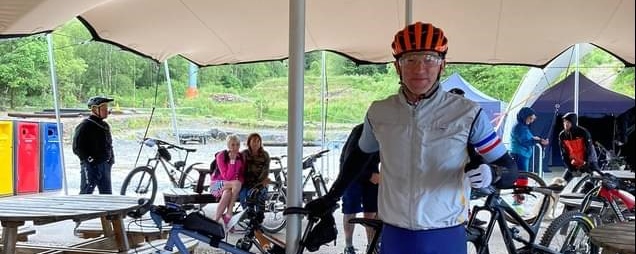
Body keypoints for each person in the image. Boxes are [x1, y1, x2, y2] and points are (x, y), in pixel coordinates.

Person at [306, 22, 518, 254]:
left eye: (429, 59)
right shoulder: (379, 112)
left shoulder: (468, 113)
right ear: (398, 66)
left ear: (442, 65)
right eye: (410, 60)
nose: (419, 69)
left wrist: (494, 173)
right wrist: (331, 197)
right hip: (395, 233)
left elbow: (509, 168)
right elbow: (358, 159)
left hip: (445, 232)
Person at [340, 124, 380, 254]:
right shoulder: (360, 131)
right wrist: (369, 175)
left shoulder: (388, 132)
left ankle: (371, 245)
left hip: (371, 169)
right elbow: (348, 159)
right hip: (351, 173)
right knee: (350, 209)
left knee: (371, 209)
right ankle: (349, 246)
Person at [72, 96, 115, 194]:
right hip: (91, 166)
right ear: (94, 109)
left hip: (105, 164)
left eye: (106, 108)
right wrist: (89, 159)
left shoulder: (104, 126)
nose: (106, 111)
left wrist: (111, 159)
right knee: (86, 194)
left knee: (107, 195)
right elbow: (77, 147)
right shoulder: (85, 126)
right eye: (103, 108)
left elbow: (109, 144)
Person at [510, 107, 549, 204]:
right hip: (519, 154)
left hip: (522, 154)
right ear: (524, 117)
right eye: (530, 118)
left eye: (532, 119)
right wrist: (538, 140)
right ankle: (518, 198)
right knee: (522, 177)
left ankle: (518, 197)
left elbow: (528, 138)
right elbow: (524, 141)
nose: (531, 121)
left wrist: (536, 139)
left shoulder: (522, 127)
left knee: (522, 177)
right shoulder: (519, 127)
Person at [213, 134, 245, 226]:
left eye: (238, 145)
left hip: (231, 187)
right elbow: (226, 177)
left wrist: (238, 182)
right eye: (233, 145)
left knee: (228, 193)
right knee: (237, 184)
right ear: (228, 146)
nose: (236, 147)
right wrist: (232, 161)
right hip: (216, 185)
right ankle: (229, 213)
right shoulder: (221, 156)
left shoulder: (241, 157)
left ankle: (215, 221)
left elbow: (242, 175)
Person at [558, 112, 599, 184]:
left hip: (589, 160)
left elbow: (589, 149)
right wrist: (571, 168)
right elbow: (564, 153)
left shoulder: (583, 132)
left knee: (597, 179)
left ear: (573, 122)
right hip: (575, 161)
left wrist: (586, 163)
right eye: (564, 122)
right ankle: (554, 193)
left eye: (568, 122)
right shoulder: (562, 135)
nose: (566, 124)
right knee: (562, 183)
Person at [239, 133, 271, 208]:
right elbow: (239, 170)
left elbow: (265, 172)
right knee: (244, 197)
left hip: (260, 183)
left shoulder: (265, 155)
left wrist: (258, 185)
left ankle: (259, 217)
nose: (256, 143)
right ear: (249, 143)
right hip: (246, 183)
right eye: (253, 141)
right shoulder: (244, 154)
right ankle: (248, 215)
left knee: (259, 194)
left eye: (258, 141)